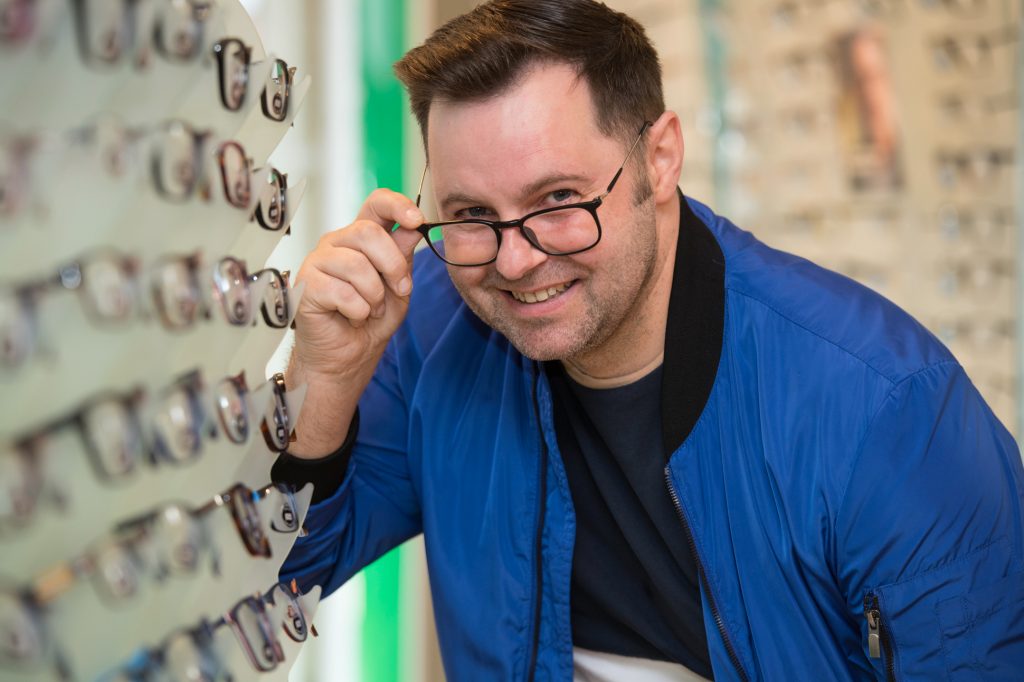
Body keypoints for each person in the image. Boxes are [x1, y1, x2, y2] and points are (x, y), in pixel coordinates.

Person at [273, 1, 1024, 679]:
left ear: (660, 157)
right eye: (472, 213)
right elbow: (274, 585)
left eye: (558, 200)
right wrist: (327, 380)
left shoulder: (887, 410)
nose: (514, 260)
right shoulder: (436, 329)